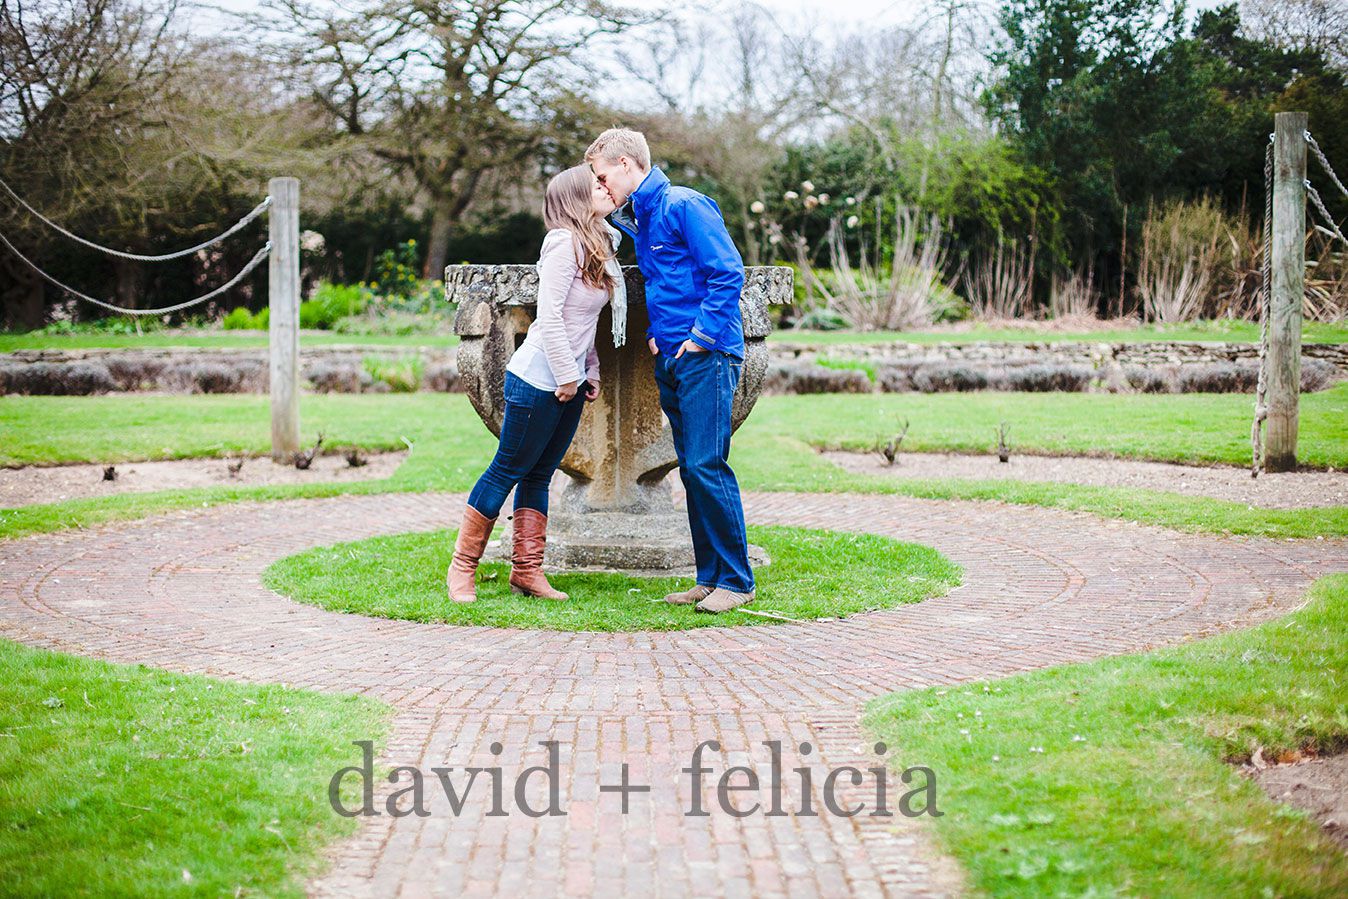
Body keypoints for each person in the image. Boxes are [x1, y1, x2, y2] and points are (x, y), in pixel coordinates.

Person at [585, 127, 756, 614]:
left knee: (706, 463)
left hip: (708, 355)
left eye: (602, 175)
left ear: (625, 163)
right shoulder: (642, 218)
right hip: (674, 356)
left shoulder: (684, 204)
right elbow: (670, 284)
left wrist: (699, 338)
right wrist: (663, 337)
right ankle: (710, 578)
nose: (601, 185)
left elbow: (727, 272)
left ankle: (737, 581)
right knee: (691, 467)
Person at [446, 164, 626, 603]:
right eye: (596, 185)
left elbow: (582, 323)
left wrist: (591, 372)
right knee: (507, 468)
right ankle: (462, 568)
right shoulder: (564, 245)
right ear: (576, 198)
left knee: (540, 474)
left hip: (570, 376)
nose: (605, 188)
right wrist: (568, 377)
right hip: (537, 377)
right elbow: (549, 319)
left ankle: (527, 571)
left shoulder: (598, 245)